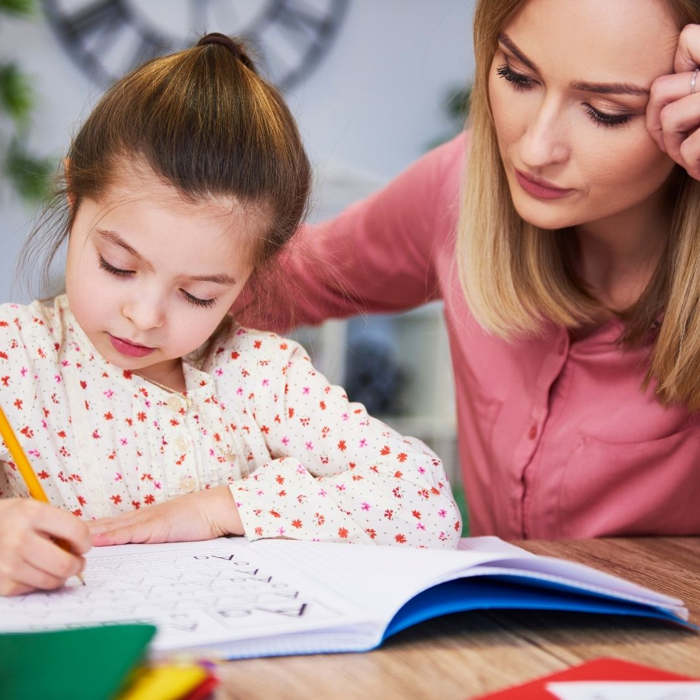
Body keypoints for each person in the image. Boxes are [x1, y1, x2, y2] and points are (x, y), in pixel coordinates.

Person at [0, 34, 461, 596]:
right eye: (118, 266)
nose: (144, 316)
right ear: (74, 195)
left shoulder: (260, 377)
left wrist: (218, 509)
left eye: (198, 295)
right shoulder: (14, 358)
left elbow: (425, 501)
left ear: (252, 273)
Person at [235, 0, 700, 539]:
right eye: (517, 76)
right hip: (495, 622)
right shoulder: (457, 188)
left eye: (605, 111)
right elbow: (269, 283)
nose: (535, 147)